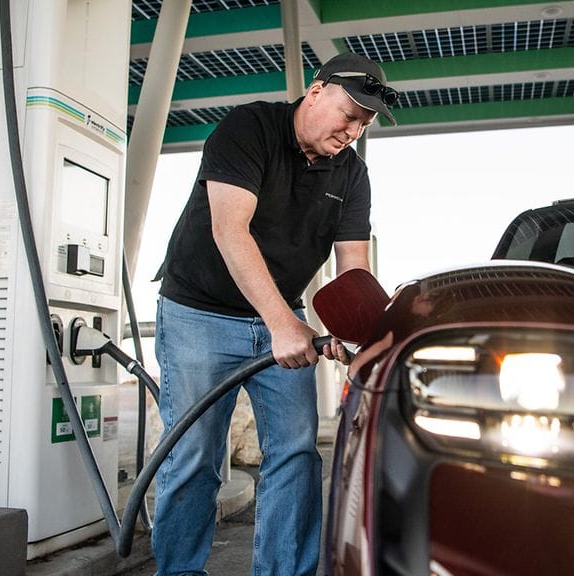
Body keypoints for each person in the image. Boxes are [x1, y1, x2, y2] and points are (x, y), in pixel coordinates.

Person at [150, 52, 398, 576]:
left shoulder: (352, 175)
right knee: (194, 457)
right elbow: (229, 231)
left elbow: (352, 268)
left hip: (281, 317)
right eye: (349, 113)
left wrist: (364, 337)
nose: (353, 130)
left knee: (296, 454)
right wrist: (282, 324)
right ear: (315, 90)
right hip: (198, 312)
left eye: (365, 122)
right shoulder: (250, 127)